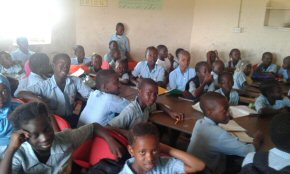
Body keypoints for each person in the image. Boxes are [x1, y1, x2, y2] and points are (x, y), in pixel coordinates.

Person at [0, 102, 124, 174]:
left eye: (47, 129)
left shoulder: (66, 138)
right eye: (35, 135)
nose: (44, 138)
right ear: (24, 135)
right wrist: (11, 149)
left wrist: (110, 140)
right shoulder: (18, 154)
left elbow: (94, 127)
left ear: (50, 123)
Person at [187, 92, 263, 174]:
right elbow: (249, 150)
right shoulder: (219, 135)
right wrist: (257, 138)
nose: (228, 113)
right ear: (209, 112)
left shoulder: (200, 122)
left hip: (191, 167)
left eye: (228, 109)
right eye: (224, 110)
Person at [17, 53, 92, 126]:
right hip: (55, 122)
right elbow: (19, 93)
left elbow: (91, 94)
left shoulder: (75, 81)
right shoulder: (45, 85)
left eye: (68, 64)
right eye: (61, 64)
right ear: (53, 66)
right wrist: (38, 99)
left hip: (70, 117)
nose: (65, 67)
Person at [119, 122, 205, 174]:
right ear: (131, 150)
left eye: (154, 150)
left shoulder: (163, 164)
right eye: (142, 152)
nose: (150, 158)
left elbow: (199, 166)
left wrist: (168, 149)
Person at [109, 78, 183, 130]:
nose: (153, 97)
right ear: (139, 91)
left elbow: (158, 105)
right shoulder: (130, 111)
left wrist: (170, 112)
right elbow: (108, 127)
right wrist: (127, 134)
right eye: (149, 93)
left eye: (155, 94)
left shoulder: (146, 105)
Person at [0, 74, 21, 156]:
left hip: (19, 148)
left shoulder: (19, 109)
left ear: (9, 91)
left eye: (4, 92)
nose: (0, 97)